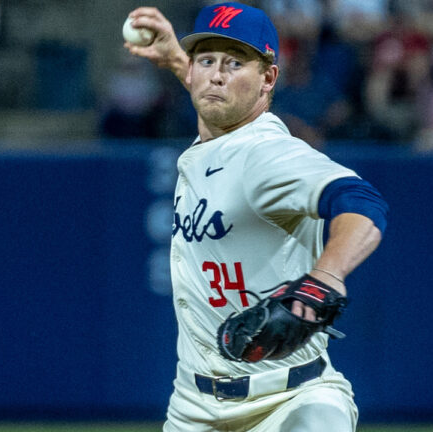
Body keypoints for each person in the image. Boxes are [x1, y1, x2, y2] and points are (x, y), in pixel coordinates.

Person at [126, 3, 388, 431]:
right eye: (206, 61)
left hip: (291, 400)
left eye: (235, 63)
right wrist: (176, 58)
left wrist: (325, 278)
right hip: (193, 409)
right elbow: (215, 91)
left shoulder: (266, 154)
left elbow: (363, 203)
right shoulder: (214, 142)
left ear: (268, 79)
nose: (216, 75)